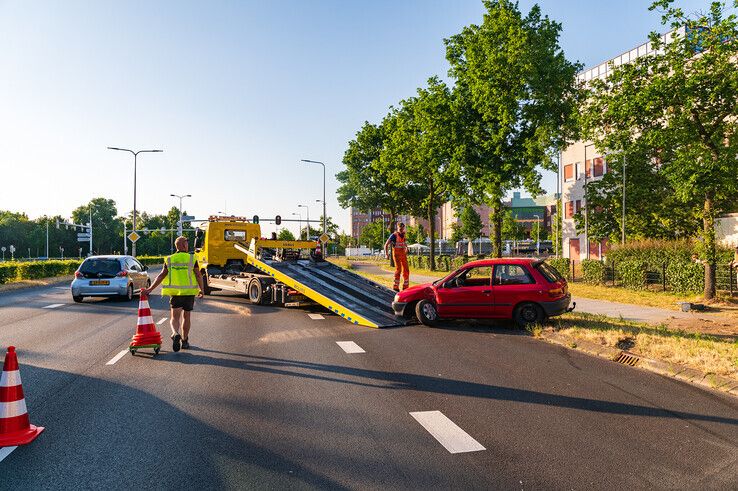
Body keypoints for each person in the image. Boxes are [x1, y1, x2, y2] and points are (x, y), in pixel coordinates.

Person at [141, 236, 204, 352]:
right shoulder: (192, 258)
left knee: (175, 317)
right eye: (187, 244)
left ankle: (175, 333)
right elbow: (198, 275)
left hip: (175, 293)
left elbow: (161, 275)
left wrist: (149, 289)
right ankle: (185, 341)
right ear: (184, 245)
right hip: (189, 293)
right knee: (187, 316)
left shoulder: (169, 259)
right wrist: (202, 290)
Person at [384, 222, 409, 291]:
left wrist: (406, 248)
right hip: (397, 255)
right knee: (399, 270)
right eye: (400, 228)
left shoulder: (403, 235)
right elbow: (386, 245)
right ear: (398, 228)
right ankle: (396, 287)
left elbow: (404, 243)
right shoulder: (394, 235)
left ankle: (405, 287)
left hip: (403, 254)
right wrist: (386, 254)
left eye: (402, 228)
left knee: (406, 270)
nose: (401, 230)